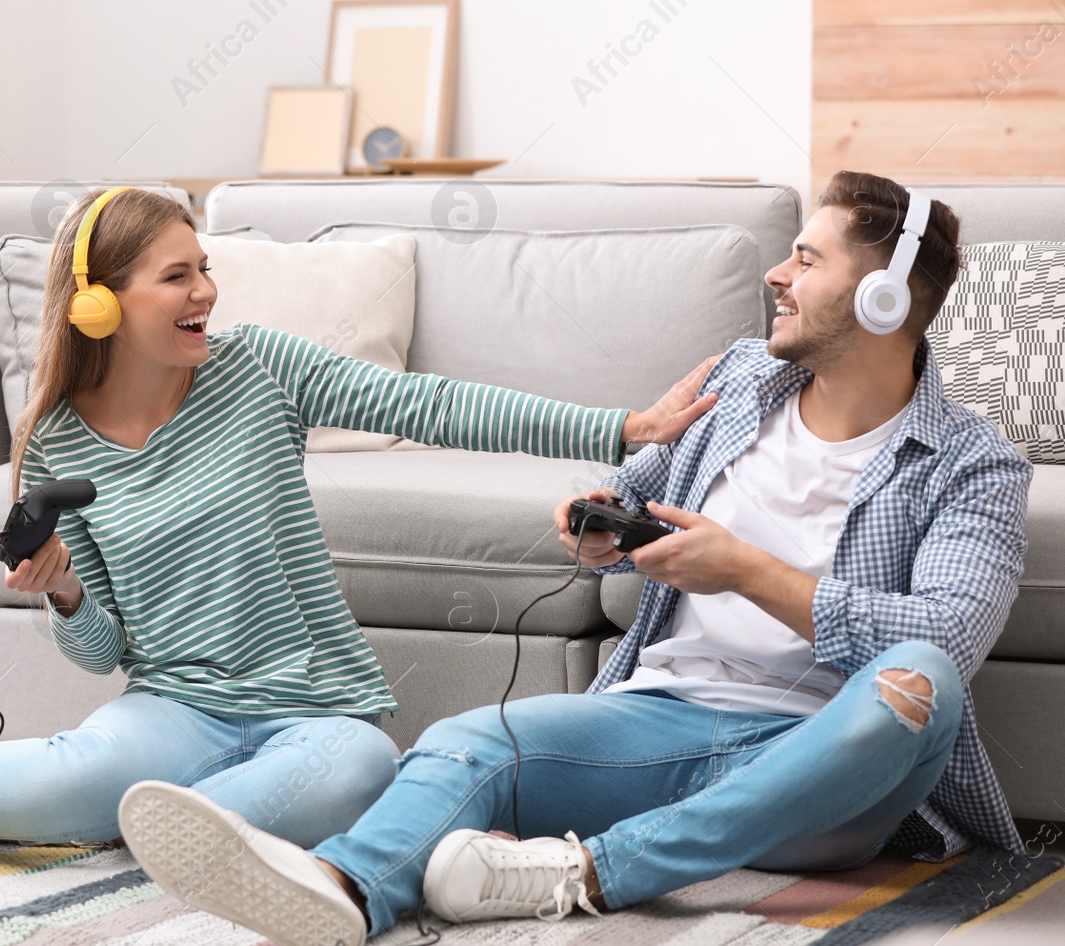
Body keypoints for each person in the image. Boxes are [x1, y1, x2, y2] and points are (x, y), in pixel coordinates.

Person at [120, 171, 1034, 946]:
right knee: (467, 742)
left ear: (886, 298)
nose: (776, 273)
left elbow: (946, 636)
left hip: (820, 754)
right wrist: (603, 520)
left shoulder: (973, 463)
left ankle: (590, 872)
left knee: (918, 682)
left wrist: (744, 568)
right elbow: (635, 484)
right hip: (660, 720)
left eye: (807, 257)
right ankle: (345, 888)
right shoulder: (745, 377)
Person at [0, 186, 717, 848]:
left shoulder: (260, 369)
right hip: (170, 707)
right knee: (85, 766)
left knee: (358, 770)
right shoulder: (54, 445)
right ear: (100, 303)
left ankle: (144, 827)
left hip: (315, 709)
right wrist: (63, 591)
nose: (205, 293)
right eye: (177, 275)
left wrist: (624, 423)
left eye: (205, 268)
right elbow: (100, 651)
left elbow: (435, 404)